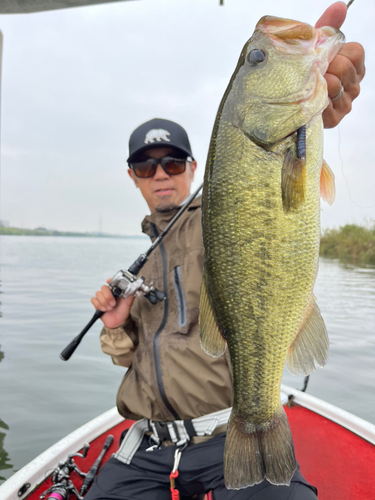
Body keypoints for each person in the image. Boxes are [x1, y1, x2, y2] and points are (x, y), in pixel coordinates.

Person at [87, 3, 365, 499]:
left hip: (222, 435)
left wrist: (316, 113)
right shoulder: (145, 260)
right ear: (132, 176)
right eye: (146, 167)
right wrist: (119, 330)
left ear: (195, 167)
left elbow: (266, 204)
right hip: (147, 447)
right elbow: (137, 359)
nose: (161, 175)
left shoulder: (209, 222)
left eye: (172, 162)